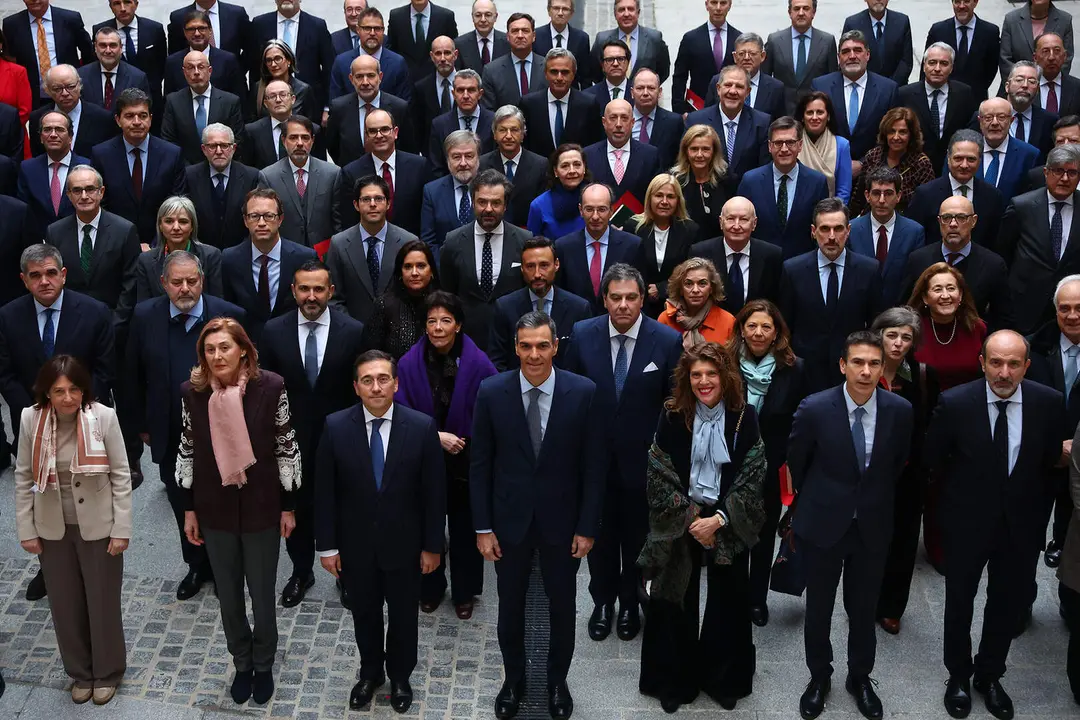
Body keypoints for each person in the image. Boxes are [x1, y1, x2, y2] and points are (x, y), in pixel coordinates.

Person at [925, 330, 1065, 720]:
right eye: (996, 363)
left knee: (1006, 605)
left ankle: (989, 674)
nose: (1004, 372)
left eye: (1014, 364)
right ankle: (958, 674)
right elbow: (934, 459)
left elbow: (1051, 462)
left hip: (1020, 526)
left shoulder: (1049, 404)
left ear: (1027, 366)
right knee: (959, 604)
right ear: (982, 362)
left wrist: (1037, 515)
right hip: (966, 524)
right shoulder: (955, 403)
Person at [470, 310, 604, 720]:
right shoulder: (492, 392)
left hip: (562, 525)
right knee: (509, 608)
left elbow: (593, 467)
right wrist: (482, 527)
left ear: (556, 346)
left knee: (563, 607)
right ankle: (513, 681)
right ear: (515, 347)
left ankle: (556, 682)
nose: (534, 354)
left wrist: (587, 526)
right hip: (508, 524)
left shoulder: (583, 392)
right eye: (525, 346)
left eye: (542, 345)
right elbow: (480, 465)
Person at [788, 330, 914, 720]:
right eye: (857, 362)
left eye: (874, 363)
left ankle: (860, 676)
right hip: (823, 522)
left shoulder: (899, 410)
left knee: (863, 608)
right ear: (843, 365)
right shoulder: (814, 408)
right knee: (819, 607)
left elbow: (897, 465)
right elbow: (797, 463)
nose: (866, 371)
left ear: (883, 368)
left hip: (872, 525)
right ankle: (819, 676)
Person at [178, 317, 301, 706]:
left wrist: (289, 506)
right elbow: (188, 451)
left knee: (262, 596)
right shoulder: (192, 392)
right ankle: (242, 662)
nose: (217, 356)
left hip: (262, 507)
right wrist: (189, 510)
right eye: (209, 349)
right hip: (214, 510)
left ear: (244, 349)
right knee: (228, 597)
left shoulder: (272, 387)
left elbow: (286, 447)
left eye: (225, 347)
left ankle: (264, 663)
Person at [638, 341, 766, 712]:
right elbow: (658, 471)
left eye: (711, 373)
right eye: (696, 375)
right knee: (674, 594)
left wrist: (719, 519)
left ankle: (723, 680)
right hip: (684, 518)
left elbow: (753, 474)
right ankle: (673, 681)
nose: (704, 381)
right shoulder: (673, 414)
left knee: (729, 598)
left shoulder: (745, 416)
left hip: (724, 518)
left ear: (725, 376)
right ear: (686, 378)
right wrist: (692, 518)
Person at [315, 348, 445, 713]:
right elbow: (324, 492)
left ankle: (400, 676)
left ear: (396, 383)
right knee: (365, 614)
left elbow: (434, 494)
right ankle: (370, 671)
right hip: (356, 549)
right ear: (356, 387)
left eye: (383, 379)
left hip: (405, 547)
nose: (376, 387)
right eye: (368, 380)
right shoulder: (336, 426)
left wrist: (433, 546)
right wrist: (327, 547)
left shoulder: (421, 427)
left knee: (404, 616)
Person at [563, 263, 682, 644]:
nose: (624, 305)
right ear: (605, 299)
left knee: (635, 537)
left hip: (642, 465)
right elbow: (568, 395)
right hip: (592, 463)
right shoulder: (582, 335)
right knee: (597, 537)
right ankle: (603, 602)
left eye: (631, 297)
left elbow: (674, 405)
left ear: (642, 298)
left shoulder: (665, 340)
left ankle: (630, 602)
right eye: (616, 298)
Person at [127, 250, 245, 600]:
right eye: (176, 282)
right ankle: (196, 565)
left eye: (191, 281)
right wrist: (141, 425)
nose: (184, 289)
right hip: (169, 432)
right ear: (163, 283)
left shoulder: (230, 316)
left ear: (202, 280)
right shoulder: (144, 315)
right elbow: (132, 375)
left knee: (224, 502)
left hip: (221, 432)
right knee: (183, 501)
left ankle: (227, 568)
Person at [0, 244, 115, 602]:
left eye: (51, 273)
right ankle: (50, 568)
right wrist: (36, 413)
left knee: (85, 496)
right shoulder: (7, 316)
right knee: (44, 499)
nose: (44, 281)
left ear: (64, 274)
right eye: (35, 275)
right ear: (24, 280)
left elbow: (105, 369)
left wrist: (72, 408)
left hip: (84, 422)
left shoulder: (94, 312)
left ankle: (90, 562)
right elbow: (5, 374)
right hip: (32, 426)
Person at [14, 354, 130, 706]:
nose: (67, 398)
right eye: (59, 391)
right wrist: (26, 529)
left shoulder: (104, 418)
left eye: (74, 390)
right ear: (46, 393)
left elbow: (121, 476)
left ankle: (107, 672)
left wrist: (121, 528)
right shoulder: (30, 419)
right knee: (64, 604)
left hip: (98, 526)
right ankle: (80, 672)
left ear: (84, 390)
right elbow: (22, 476)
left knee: (102, 601)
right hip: (52, 528)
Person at [259, 260, 366, 609]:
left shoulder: (353, 331)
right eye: (304, 288)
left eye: (319, 289)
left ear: (331, 291)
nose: (311, 296)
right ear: (293, 290)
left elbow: (357, 389)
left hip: (341, 439)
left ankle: (346, 575)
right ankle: (301, 571)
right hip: (291, 439)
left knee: (345, 509)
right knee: (298, 510)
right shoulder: (274, 331)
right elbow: (267, 390)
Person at [395, 291, 497, 617]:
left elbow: (493, 408)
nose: (438, 327)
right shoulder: (409, 363)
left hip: (466, 459)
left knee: (466, 529)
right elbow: (399, 412)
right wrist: (435, 437)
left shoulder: (479, 362)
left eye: (445, 321)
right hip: (423, 457)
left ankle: (464, 592)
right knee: (428, 525)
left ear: (458, 325)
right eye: (432, 321)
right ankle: (431, 586)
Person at [725, 299, 805, 627]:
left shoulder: (794, 367)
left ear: (776, 334)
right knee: (731, 531)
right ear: (741, 330)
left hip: (773, 467)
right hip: (729, 465)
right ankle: (732, 595)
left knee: (762, 534)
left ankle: (756, 598)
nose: (758, 332)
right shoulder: (724, 363)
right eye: (752, 325)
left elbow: (802, 420)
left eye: (766, 327)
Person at [869, 307, 940, 635]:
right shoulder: (864, 370)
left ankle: (892, 607)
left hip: (908, 473)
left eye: (906, 338)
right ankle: (865, 598)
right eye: (892, 335)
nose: (897, 343)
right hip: (868, 471)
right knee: (868, 539)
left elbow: (930, 423)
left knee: (903, 541)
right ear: (879, 335)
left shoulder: (923, 375)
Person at [779, 198, 882, 393]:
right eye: (825, 229)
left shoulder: (869, 269)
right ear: (813, 231)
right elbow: (786, 324)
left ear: (848, 231)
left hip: (853, 370)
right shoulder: (793, 270)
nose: (832, 236)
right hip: (805, 371)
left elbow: (875, 324)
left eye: (838, 229)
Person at [1025, 275, 1080, 571]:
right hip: (1039, 461)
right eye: (1065, 308)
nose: (1072, 316)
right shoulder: (1030, 350)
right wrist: (1052, 448)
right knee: (1024, 539)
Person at [439, 169, 528, 352]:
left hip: (512, 337)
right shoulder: (453, 241)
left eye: (496, 203)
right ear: (472, 203)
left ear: (505, 206)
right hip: (467, 339)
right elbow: (448, 294)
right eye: (482, 202)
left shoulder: (524, 240)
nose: (488, 209)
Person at [44, 164, 140, 330]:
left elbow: (131, 284)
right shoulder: (55, 232)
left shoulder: (125, 230)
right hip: (69, 325)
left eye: (90, 189)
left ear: (101, 192)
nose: (84, 196)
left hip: (113, 325)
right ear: (68, 195)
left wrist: (115, 325)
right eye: (77, 190)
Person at [998, 144, 1080, 335]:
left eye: (1072, 172)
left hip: (1072, 309)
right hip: (1026, 307)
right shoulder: (1021, 206)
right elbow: (1004, 255)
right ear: (1045, 172)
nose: (1065, 178)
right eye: (1058, 171)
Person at [220, 187, 318, 345]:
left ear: (280, 219)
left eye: (268, 216)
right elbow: (227, 307)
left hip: (292, 344)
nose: (261, 223)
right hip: (247, 345)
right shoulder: (230, 259)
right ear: (245, 220)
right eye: (254, 216)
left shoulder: (304, 257)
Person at [91, 88, 187, 247]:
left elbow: (177, 204)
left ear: (150, 119)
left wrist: (156, 244)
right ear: (118, 119)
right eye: (129, 116)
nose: (137, 122)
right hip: (114, 245)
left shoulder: (172, 154)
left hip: (161, 246)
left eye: (143, 116)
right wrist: (126, 244)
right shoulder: (101, 155)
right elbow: (100, 204)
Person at [488, 236, 592, 371]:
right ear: (522, 269)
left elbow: (585, 362)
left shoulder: (579, 309)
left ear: (556, 265)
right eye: (530, 266)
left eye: (544, 265)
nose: (537, 274)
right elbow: (496, 361)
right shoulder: (504, 308)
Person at [326, 175, 419, 326]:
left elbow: (415, 292)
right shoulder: (339, 244)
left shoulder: (408, 242)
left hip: (398, 332)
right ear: (356, 205)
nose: (373, 204)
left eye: (379, 199)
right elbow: (334, 297)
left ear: (388, 203)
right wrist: (352, 328)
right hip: (354, 333)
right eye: (366, 199)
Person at [736, 117, 830, 259]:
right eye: (778, 143)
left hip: (801, 265)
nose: (784, 149)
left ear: (800, 145)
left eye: (790, 142)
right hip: (760, 264)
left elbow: (822, 228)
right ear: (769, 146)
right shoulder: (750, 181)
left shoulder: (817, 182)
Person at [904, 130, 1005, 250]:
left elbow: (995, 241)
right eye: (958, 158)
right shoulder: (925, 195)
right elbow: (916, 240)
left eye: (971, 159)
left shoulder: (993, 196)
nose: (964, 165)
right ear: (948, 158)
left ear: (980, 160)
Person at [810, 30, 900, 162]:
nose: (852, 56)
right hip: (829, 167)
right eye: (845, 52)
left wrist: (863, 163)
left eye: (858, 50)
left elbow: (892, 135)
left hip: (874, 170)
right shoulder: (821, 86)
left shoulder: (888, 89)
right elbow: (813, 131)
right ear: (838, 57)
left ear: (868, 55)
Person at [257, 115, 343, 250]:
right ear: (283, 140)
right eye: (293, 138)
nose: (300, 143)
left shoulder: (332, 173)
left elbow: (338, 221)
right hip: (286, 252)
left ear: (313, 141)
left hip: (324, 253)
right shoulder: (268, 176)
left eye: (305, 137)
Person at [553, 182, 642, 312]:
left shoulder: (632, 246)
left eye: (601, 209)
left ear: (611, 210)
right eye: (589, 209)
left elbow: (639, 294)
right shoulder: (563, 247)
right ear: (580, 210)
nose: (595, 216)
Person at [337, 107, 427, 234]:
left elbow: (426, 215)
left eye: (385, 129)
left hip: (411, 246)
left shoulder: (419, 166)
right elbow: (349, 221)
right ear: (366, 136)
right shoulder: (351, 172)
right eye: (373, 131)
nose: (379, 136)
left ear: (395, 132)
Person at [847, 166, 926, 306]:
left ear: (898, 196)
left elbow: (913, 280)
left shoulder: (914, 232)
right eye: (876, 193)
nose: (882, 200)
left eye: (888, 193)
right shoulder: (851, 230)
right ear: (867, 196)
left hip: (898, 313)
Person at [693, 196, 784, 316]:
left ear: (754, 223)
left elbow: (776, 302)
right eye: (730, 219)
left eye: (743, 219)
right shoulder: (701, 252)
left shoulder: (772, 256)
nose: (736, 226)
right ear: (721, 222)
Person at [898, 43, 980, 175]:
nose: (937, 68)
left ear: (951, 68)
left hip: (954, 168)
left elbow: (969, 129)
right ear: (924, 66)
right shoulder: (904, 94)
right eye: (932, 62)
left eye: (943, 63)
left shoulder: (964, 93)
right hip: (914, 168)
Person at [325, 53, 415, 167]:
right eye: (359, 76)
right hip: (352, 178)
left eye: (371, 75)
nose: (365, 82)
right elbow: (333, 146)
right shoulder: (339, 108)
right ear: (351, 79)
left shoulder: (399, 107)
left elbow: (409, 148)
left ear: (380, 77)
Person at [685, 66, 769, 185]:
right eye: (728, 85)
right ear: (718, 89)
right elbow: (686, 163)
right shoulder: (696, 120)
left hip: (747, 197)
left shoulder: (762, 123)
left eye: (739, 87)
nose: (733, 91)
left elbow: (763, 169)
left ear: (747, 92)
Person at [183, 123, 261, 250]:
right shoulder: (189, 176)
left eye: (224, 145)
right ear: (204, 149)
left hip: (240, 253)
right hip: (200, 254)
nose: (219, 151)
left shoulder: (251, 176)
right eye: (212, 146)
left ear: (234, 148)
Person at [1, 1, 92, 109]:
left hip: (68, 94)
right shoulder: (11, 24)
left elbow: (88, 53)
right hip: (33, 97)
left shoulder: (70, 19)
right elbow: (10, 58)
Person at [248, 1, 334, 114]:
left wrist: (327, 107)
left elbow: (329, 68)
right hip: (270, 101)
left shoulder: (317, 26)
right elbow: (254, 66)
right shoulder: (260, 24)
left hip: (309, 102)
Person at [848, 107, 936, 217]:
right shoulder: (873, 156)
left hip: (907, 224)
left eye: (902, 132)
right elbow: (859, 197)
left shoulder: (921, 164)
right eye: (892, 131)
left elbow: (927, 204)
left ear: (911, 135)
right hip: (870, 220)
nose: (896, 137)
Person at [631, 174, 697, 318]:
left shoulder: (690, 230)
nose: (664, 201)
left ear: (678, 200)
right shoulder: (633, 226)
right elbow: (629, 267)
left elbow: (692, 270)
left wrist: (661, 289)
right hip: (640, 305)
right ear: (650, 198)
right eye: (659, 195)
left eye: (670, 196)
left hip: (678, 305)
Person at [134, 195, 223, 302]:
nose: (176, 227)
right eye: (169, 221)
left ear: (192, 226)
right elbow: (144, 307)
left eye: (183, 222)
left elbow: (216, 303)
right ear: (160, 226)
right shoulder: (146, 261)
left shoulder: (211, 256)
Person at [520, 48, 602, 158]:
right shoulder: (529, 104)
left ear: (573, 74)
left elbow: (594, 143)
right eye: (554, 72)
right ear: (545, 74)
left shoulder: (588, 104)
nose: (559, 78)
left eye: (565, 72)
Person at [364, 239, 440, 358]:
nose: (414, 273)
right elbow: (371, 355)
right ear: (400, 273)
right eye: (408, 267)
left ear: (431, 271)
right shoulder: (384, 305)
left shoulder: (444, 305)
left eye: (421, 266)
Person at [18, 112, 89, 237]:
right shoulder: (28, 169)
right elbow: (23, 211)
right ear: (40, 137)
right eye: (47, 130)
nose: (53, 135)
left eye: (59, 130)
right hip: (39, 243)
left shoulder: (88, 167)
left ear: (71, 137)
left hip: (77, 240)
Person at [761, 0, 838, 114]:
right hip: (782, 113)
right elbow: (765, 79)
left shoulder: (827, 41)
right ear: (789, 12)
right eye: (796, 9)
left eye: (806, 8)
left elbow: (833, 81)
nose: (801, 13)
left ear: (814, 12)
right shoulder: (775, 41)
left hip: (815, 115)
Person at [28, 65, 117, 159]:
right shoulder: (37, 118)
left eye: (70, 87)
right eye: (57, 89)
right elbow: (38, 157)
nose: (65, 93)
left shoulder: (102, 118)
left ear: (79, 85)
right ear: (47, 90)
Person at [584, 98, 660, 206]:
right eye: (613, 118)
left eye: (624, 118)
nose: (618, 124)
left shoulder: (650, 155)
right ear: (604, 122)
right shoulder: (588, 155)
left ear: (632, 122)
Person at [479, 105, 547, 226]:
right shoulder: (482, 164)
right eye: (503, 130)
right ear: (494, 134)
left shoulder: (541, 164)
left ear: (522, 134)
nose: (508, 136)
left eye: (514, 130)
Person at [93, 0, 169, 108]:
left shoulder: (154, 29)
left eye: (127, 2)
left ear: (136, 4)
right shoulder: (101, 30)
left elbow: (162, 63)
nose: (123, 8)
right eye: (117, 3)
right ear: (110, 6)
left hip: (150, 99)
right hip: (116, 99)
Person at [671, 0, 740, 114]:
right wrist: (679, 112)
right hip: (697, 108)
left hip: (731, 109)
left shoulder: (738, 39)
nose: (718, 8)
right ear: (707, 5)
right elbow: (680, 77)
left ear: (730, 6)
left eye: (723, 3)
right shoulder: (691, 39)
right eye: (714, 2)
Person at [923, 0, 1001, 100]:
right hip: (942, 98)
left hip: (975, 99)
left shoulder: (990, 32)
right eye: (957, 2)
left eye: (967, 1)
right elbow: (926, 65)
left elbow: (991, 69)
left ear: (976, 2)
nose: (961, 6)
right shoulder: (938, 30)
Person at [420, 130, 480, 258]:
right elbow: (429, 241)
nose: (463, 163)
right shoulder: (432, 192)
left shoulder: (491, 189)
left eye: (469, 156)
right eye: (456, 157)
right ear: (447, 160)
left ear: (478, 158)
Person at [703, 31, 787, 121]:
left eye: (752, 53)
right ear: (735, 57)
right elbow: (708, 116)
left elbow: (779, 124)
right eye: (741, 54)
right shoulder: (718, 80)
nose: (747, 58)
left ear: (762, 56)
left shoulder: (776, 87)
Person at [162, 10, 245, 100]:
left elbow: (239, 98)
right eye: (191, 29)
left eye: (202, 28)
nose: (197, 33)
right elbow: (168, 101)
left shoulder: (228, 60)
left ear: (210, 31)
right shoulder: (173, 62)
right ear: (185, 33)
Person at [427, 70, 495, 176]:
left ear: (480, 94)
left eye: (471, 90)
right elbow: (436, 168)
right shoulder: (439, 125)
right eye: (460, 90)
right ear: (453, 94)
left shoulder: (494, 121)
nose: (466, 95)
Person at [658, 257, 738, 347]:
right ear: (680, 289)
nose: (695, 290)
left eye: (702, 283)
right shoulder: (666, 319)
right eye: (688, 284)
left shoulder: (728, 321)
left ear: (711, 288)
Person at [671, 124, 731, 243]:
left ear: (714, 151)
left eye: (705, 149)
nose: (699, 155)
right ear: (686, 151)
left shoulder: (727, 180)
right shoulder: (674, 181)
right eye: (694, 149)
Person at [975, 96, 1040, 203]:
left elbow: (1033, 198)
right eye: (988, 118)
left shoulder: (1029, 155)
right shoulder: (966, 151)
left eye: (1001, 117)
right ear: (980, 121)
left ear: (1011, 120)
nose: (995, 123)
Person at [590, 0, 670, 84]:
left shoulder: (654, 38)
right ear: (615, 14)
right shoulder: (602, 39)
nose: (626, 14)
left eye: (630, 9)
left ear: (638, 12)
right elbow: (594, 71)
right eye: (621, 10)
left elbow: (663, 71)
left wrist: (647, 88)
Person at [479, 13, 546, 110]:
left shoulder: (548, 66)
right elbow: (488, 111)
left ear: (534, 36)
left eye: (525, 31)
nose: (520, 35)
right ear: (507, 36)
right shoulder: (491, 71)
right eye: (515, 31)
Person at [78, 27, 152, 112]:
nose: (108, 50)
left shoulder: (138, 78)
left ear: (121, 48)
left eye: (113, 45)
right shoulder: (81, 75)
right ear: (95, 47)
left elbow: (143, 111)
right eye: (103, 45)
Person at [796, 91, 852, 202]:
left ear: (828, 116)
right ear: (802, 117)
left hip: (830, 212)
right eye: (810, 112)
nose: (815, 117)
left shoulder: (841, 145)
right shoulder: (793, 142)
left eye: (820, 112)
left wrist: (831, 216)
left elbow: (843, 191)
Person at [999, 0, 1074, 83]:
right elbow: (1005, 59)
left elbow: (1066, 59)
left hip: (1050, 86)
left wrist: (1046, 84)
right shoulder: (1011, 19)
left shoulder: (1065, 20)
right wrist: (1024, 83)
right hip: (1017, 88)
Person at [842, 0, 914, 85]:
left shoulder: (902, 22)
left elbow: (906, 61)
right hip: (864, 88)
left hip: (896, 87)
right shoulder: (852, 23)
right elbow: (846, 57)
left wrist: (890, 86)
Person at [385, 0, 459, 81]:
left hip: (435, 82)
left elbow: (454, 50)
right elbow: (391, 49)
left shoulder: (446, 16)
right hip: (405, 81)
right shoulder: (396, 17)